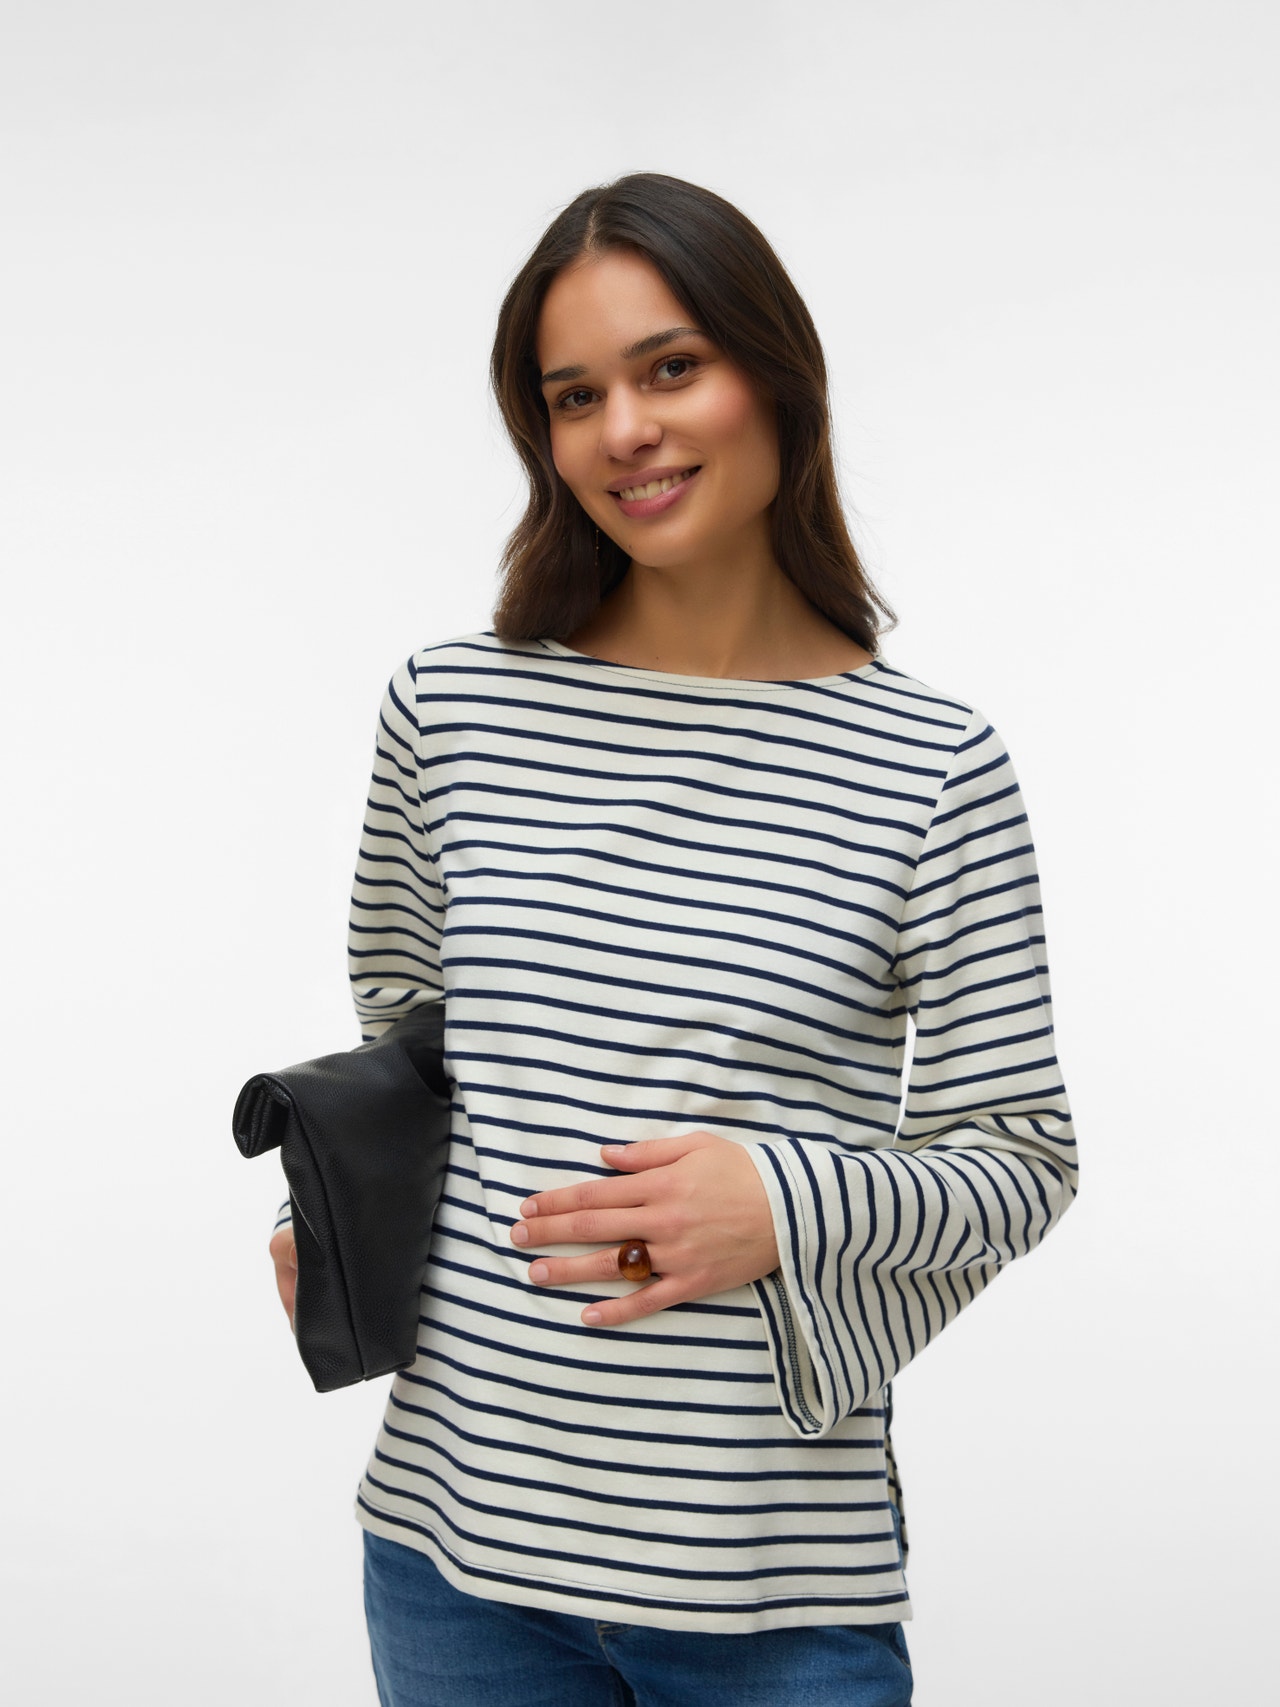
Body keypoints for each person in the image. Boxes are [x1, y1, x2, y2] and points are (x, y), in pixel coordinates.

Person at [268, 171, 1079, 1707]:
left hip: (771, 1591)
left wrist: (778, 1202)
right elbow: (417, 1047)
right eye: (575, 396)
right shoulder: (452, 709)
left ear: (776, 375)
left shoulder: (933, 769)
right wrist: (343, 1210)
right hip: (453, 1563)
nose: (623, 430)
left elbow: (1021, 1160)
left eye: (670, 368)